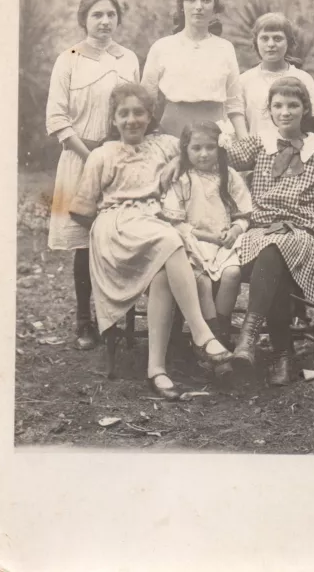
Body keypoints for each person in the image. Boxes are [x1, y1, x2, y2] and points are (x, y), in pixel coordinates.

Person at [69, 83, 233, 400]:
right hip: (116, 227)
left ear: (150, 115)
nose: (132, 120)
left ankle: (155, 370)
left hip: (157, 227)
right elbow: (80, 209)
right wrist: (113, 227)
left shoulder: (166, 145)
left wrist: (181, 163)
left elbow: (206, 151)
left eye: (139, 112)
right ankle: (202, 333)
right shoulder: (102, 154)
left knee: (162, 275)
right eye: (124, 113)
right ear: (113, 119)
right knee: (170, 237)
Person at [224, 77, 314, 386]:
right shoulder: (261, 141)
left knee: (278, 246)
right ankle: (281, 353)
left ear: (305, 108)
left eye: (293, 105)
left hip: (302, 236)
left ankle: (248, 339)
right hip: (259, 234)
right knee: (271, 250)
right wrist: (216, 136)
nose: (285, 111)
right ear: (269, 110)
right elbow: (225, 157)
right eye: (278, 105)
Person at [46, 0, 140, 351]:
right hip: (80, 155)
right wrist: (91, 157)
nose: (105, 21)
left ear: (118, 19)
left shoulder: (128, 58)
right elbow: (57, 117)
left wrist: (119, 154)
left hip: (118, 157)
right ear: (83, 19)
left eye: (111, 15)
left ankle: (111, 318)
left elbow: (135, 109)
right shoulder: (68, 59)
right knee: (85, 245)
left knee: (115, 240)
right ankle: (84, 320)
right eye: (97, 15)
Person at [161, 121, 252, 360]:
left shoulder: (229, 176)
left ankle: (220, 330)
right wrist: (206, 236)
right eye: (197, 148)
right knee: (201, 280)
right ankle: (211, 336)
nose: (203, 154)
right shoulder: (181, 179)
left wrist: (235, 230)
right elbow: (175, 222)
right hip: (194, 243)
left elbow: (244, 215)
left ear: (219, 149)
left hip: (225, 244)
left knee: (232, 273)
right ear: (186, 150)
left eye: (210, 147)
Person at [141, 0, 248, 140]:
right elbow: (146, 100)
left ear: (214, 8)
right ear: (182, 6)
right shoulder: (162, 47)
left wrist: (245, 142)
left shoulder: (225, 48)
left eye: (206, 0)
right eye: (191, 0)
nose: (198, 6)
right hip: (173, 133)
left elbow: (234, 104)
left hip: (215, 135)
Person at [239, 12, 314, 138]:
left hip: (297, 154)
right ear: (256, 42)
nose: (271, 44)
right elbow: (239, 128)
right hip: (257, 154)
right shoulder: (244, 81)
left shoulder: (303, 78)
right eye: (264, 38)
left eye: (277, 38)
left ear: (288, 42)